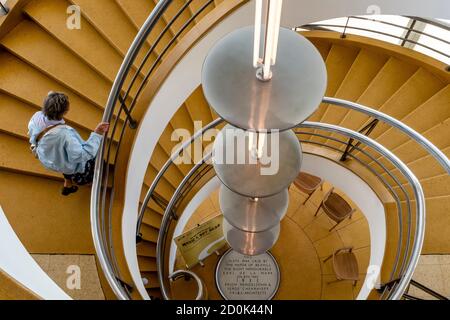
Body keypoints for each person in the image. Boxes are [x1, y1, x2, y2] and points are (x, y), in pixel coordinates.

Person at [28, 92, 109, 196]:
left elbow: (32, 135)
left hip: (51, 157)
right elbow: (81, 155)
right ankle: (89, 182)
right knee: (77, 165)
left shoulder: (36, 118)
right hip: (70, 163)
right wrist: (97, 134)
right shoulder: (65, 135)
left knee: (63, 161)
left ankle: (68, 184)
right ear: (65, 111)